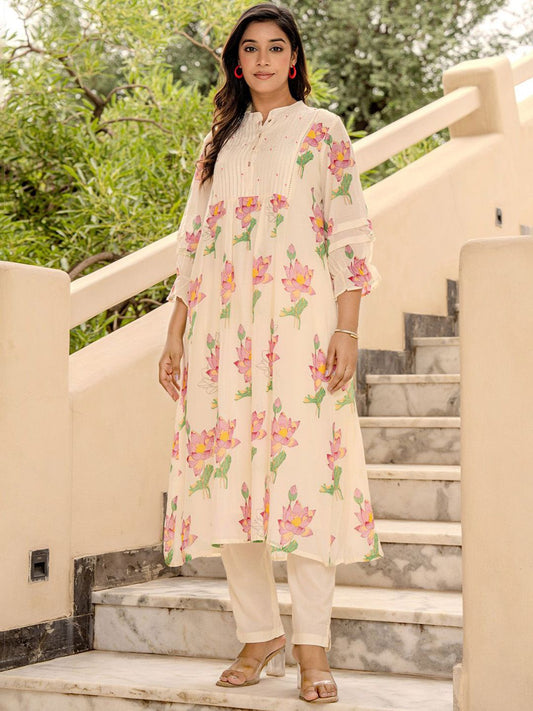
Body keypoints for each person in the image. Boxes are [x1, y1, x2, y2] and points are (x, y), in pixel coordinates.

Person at [158, 2, 383, 703]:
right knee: (230, 479)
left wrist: (346, 330)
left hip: (300, 330)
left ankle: (313, 646)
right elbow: (194, 240)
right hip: (221, 337)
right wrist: (175, 331)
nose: (262, 58)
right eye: (249, 48)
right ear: (236, 62)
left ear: (294, 59)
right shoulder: (218, 142)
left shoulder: (322, 130)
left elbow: (349, 233)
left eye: (275, 46)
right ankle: (259, 634)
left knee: (305, 481)